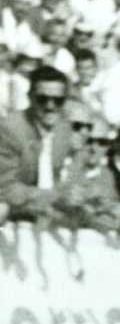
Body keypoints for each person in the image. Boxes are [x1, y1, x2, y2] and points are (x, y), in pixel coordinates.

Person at [0, 66, 76, 220]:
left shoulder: (66, 128)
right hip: (14, 209)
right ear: (30, 97)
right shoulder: (10, 129)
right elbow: (4, 187)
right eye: (42, 99)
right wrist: (50, 196)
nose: (50, 106)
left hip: (50, 208)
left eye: (58, 100)